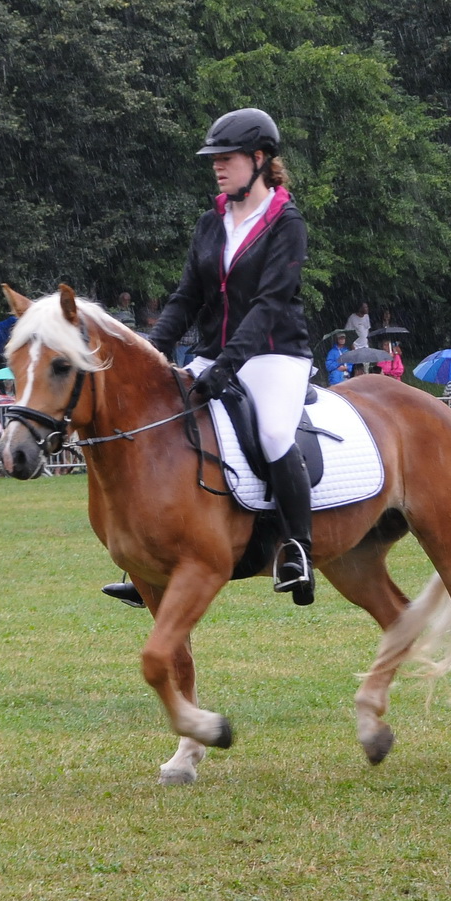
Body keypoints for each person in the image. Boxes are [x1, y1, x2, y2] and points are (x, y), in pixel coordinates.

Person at [147, 107, 316, 606]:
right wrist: (152, 347)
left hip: (273, 355)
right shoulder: (210, 223)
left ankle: (297, 550)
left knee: (272, 433)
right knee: (162, 422)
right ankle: (150, 558)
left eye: (227, 158)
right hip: (213, 354)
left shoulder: (286, 221)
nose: (217, 166)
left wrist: (229, 364)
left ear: (260, 159)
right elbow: (186, 297)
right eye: (214, 158)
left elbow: (270, 303)